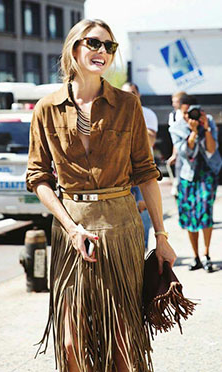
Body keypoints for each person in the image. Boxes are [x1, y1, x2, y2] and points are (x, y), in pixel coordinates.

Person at [26, 19, 176, 372]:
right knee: (70, 340)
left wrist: (162, 236)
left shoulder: (128, 104)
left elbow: (146, 174)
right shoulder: (47, 108)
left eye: (109, 46)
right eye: (94, 43)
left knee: (123, 339)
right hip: (72, 230)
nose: (102, 52)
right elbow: (38, 178)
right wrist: (72, 228)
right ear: (73, 47)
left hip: (121, 226)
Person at [169, 94, 222, 273]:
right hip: (187, 175)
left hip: (207, 173)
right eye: (185, 113)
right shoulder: (176, 127)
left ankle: (206, 254)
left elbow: (212, 149)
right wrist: (192, 132)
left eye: (191, 112)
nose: (188, 117)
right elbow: (185, 153)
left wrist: (205, 129)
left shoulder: (207, 121)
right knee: (191, 216)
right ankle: (196, 256)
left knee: (205, 213)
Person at [122, 82, 158, 250]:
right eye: (125, 93)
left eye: (132, 93)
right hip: (122, 175)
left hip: (142, 173)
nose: (129, 97)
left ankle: (142, 256)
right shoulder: (116, 113)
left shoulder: (147, 114)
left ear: (138, 94)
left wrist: (134, 120)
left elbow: (150, 140)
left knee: (143, 219)